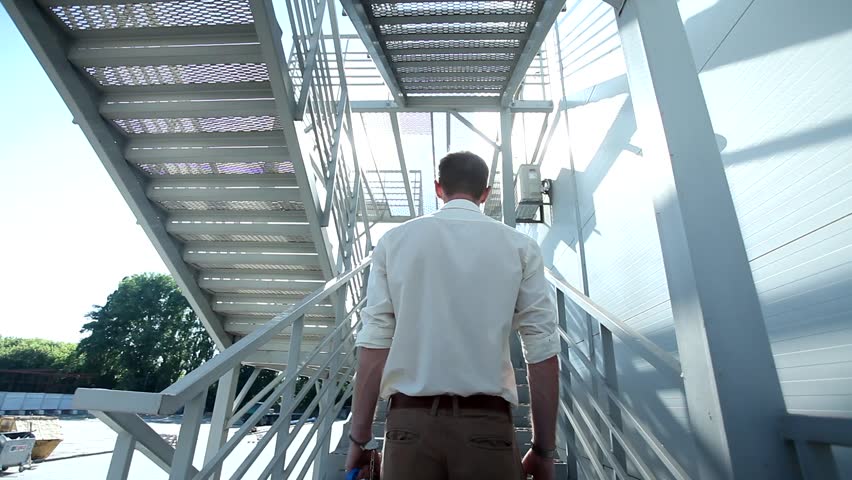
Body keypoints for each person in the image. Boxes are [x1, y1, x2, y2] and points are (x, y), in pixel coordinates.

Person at [345, 151, 560, 480]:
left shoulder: (393, 242)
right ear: (485, 193)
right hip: (488, 428)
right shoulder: (521, 247)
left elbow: (374, 346)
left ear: (437, 187)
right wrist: (544, 449)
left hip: (408, 428)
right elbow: (542, 351)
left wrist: (359, 438)